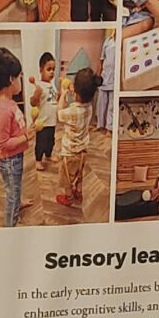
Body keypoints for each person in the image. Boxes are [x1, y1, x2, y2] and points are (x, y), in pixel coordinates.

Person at [0, 46, 29, 226]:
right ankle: (9, 226)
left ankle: (18, 202)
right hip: (10, 160)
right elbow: (2, 143)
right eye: (20, 77)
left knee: (15, 187)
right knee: (12, 193)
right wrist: (26, 138)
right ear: (11, 79)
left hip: (15, 157)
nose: (21, 80)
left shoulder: (9, 102)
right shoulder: (3, 109)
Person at [55, 64, 99, 214]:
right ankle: (79, 192)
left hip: (69, 153)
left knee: (66, 178)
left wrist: (63, 94)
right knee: (79, 174)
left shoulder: (72, 111)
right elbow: (78, 102)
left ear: (77, 93)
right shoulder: (89, 107)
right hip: (82, 152)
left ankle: (68, 196)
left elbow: (60, 113)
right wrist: (73, 91)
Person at [30, 51, 58, 170]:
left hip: (52, 121)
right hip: (42, 123)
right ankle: (38, 160)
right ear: (41, 70)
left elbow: (53, 99)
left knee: (51, 141)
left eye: (53, 69)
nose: (52, 72)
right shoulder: (39, 86)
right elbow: (33, 103)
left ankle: (48, 155)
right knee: (41, 143)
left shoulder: (52, 85)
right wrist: (36, 95)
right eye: (48, 69)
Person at [94, 31, 116, 132]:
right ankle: (100, 125)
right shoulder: (108, 41)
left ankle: (109, 128)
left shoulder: (121, 40)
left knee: (112, 106)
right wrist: (98, 75)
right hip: (104, 77)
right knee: (101, 104)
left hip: (114, 79)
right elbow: (101, 60)